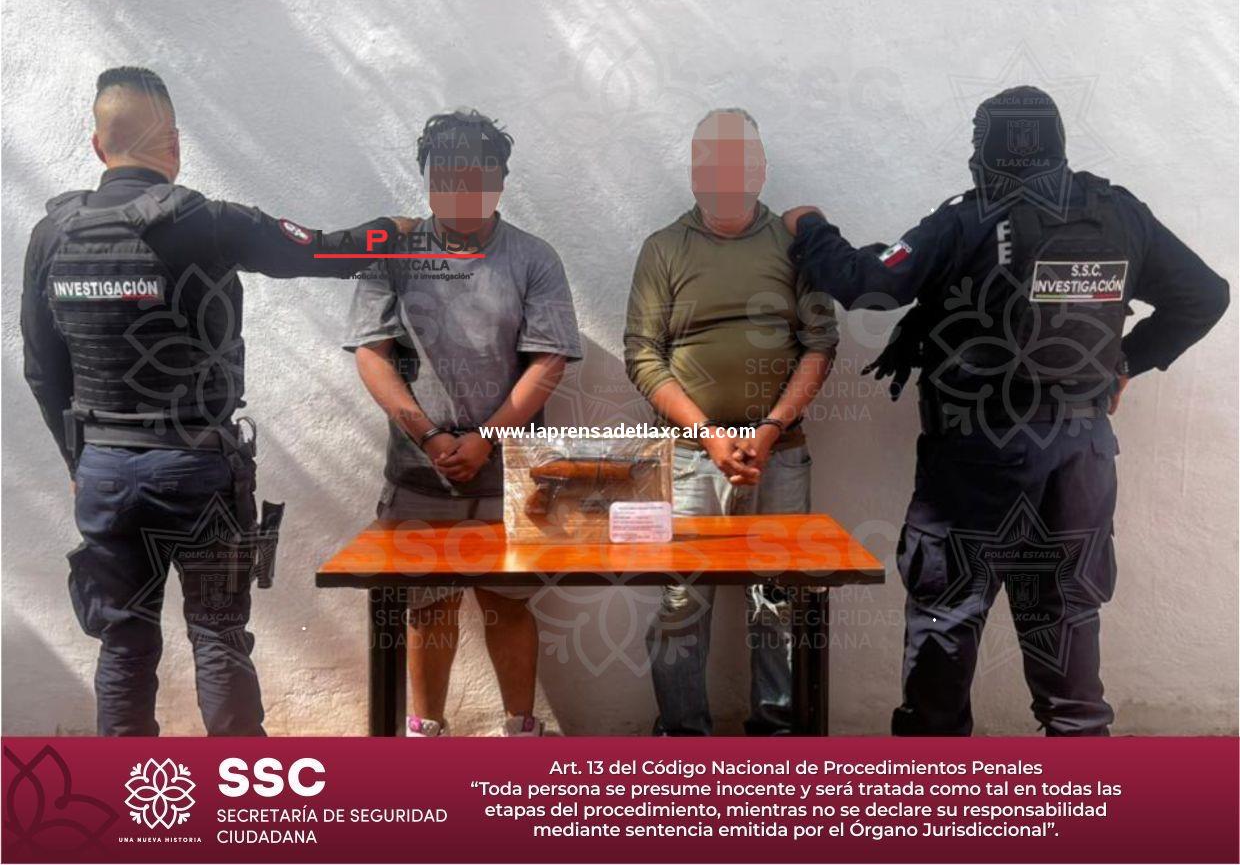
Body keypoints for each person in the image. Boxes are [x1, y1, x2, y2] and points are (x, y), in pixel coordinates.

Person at [784, 85, 1230, 736]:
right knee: (1065, 618)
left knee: (949, 613)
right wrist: (1125, 361)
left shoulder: (969, 219)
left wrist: (809, 227)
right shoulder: (1118, 213)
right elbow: (1205, 295)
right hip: (1080, 453)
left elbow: (868, 283)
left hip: (980, 454)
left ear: (988, 148)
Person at [20, 66, 414, 736]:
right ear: (174, 143)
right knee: (218, 636)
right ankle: (237, 796)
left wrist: (77, 461)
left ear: (97, 145)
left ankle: (125, 797)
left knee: (123, 644)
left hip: (105, 470)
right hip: (199, 468)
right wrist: (395, 230)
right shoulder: (206, 222)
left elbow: (41, 368)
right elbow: (322, 253)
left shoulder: (53, 235)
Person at [346, 108, 581, 738]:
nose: (460, 191)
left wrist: (486, 438)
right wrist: (427, 435)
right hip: (418, 468)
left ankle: (521, 728)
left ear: (500, 180)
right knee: (428, 606)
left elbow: (548, 361)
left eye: (475, 177)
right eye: (445, 177)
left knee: (509, 603)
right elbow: (372, 353)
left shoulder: (533, 257)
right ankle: (427, 732)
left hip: (510, 470)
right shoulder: (392, 254)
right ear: (427, 179)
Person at [624, 108, 838, 736]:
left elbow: (820, 345)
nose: (724, 173)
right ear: (693, 171)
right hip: (689, 456)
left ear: (760, 169)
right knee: (681, 601)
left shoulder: (795, 247)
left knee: (779, 599)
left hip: (780, 453)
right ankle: (682, 738)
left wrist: (768, 430)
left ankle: (775, 738)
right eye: (710, 161)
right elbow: (643, 354)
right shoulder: (664, 248)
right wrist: (708, 434)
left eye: (739, 160)